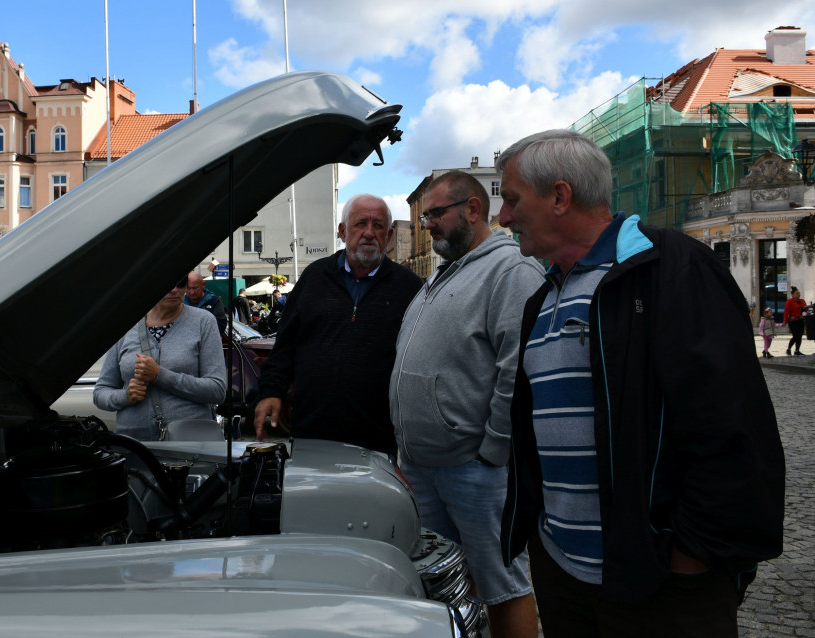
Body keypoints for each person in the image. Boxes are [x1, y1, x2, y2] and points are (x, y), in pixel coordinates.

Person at [495, 129, 784, 637]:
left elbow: (732, 425)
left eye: (513, 200)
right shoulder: (542, 298)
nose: (504, 216)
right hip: (563, 572)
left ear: (560, 196)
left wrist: (689, 558)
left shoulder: (671, 269)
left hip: (659, 583)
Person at [389, 171, 543, 638]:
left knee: (501, 584)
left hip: (475, 471)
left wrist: (492, 450)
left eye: (435, 213)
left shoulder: (511, 270)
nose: (427, 224)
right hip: (425, 466)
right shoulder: (447, 271)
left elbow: (517, 370)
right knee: (446, 583)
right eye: (425, 215)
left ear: (473, 210)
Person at [253, 194, 422, 454]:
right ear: (343, 231)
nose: (368, 232)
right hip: (313, 432)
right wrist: (271, 391)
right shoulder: (314, 278)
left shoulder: (409, 287)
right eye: (360, 224)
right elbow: (285, 345)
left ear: (388, 236)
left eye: (378, 225)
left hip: (379, 439)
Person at [94, 276, 227, 440]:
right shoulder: (126, 325)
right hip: (135, 446)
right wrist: (125, 396)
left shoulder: (203, 322)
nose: (174, 290)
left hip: (189, 445)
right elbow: (101, 392)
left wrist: (160, 375)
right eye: (168, 283)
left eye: (180, 284)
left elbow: (217, 390)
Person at [783, 286, 807, 356]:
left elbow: (805, 309)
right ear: (792, 294)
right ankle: (789, 349)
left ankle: (797, 350)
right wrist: (785, 320)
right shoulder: (790, 301)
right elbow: (786, 311)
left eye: (799, 293)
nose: (798, 294)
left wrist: (804, 314)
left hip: (800, 320)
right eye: (796, 293)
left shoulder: (802, 301)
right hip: (793, 321)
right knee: (795, 335)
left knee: (800, 335)